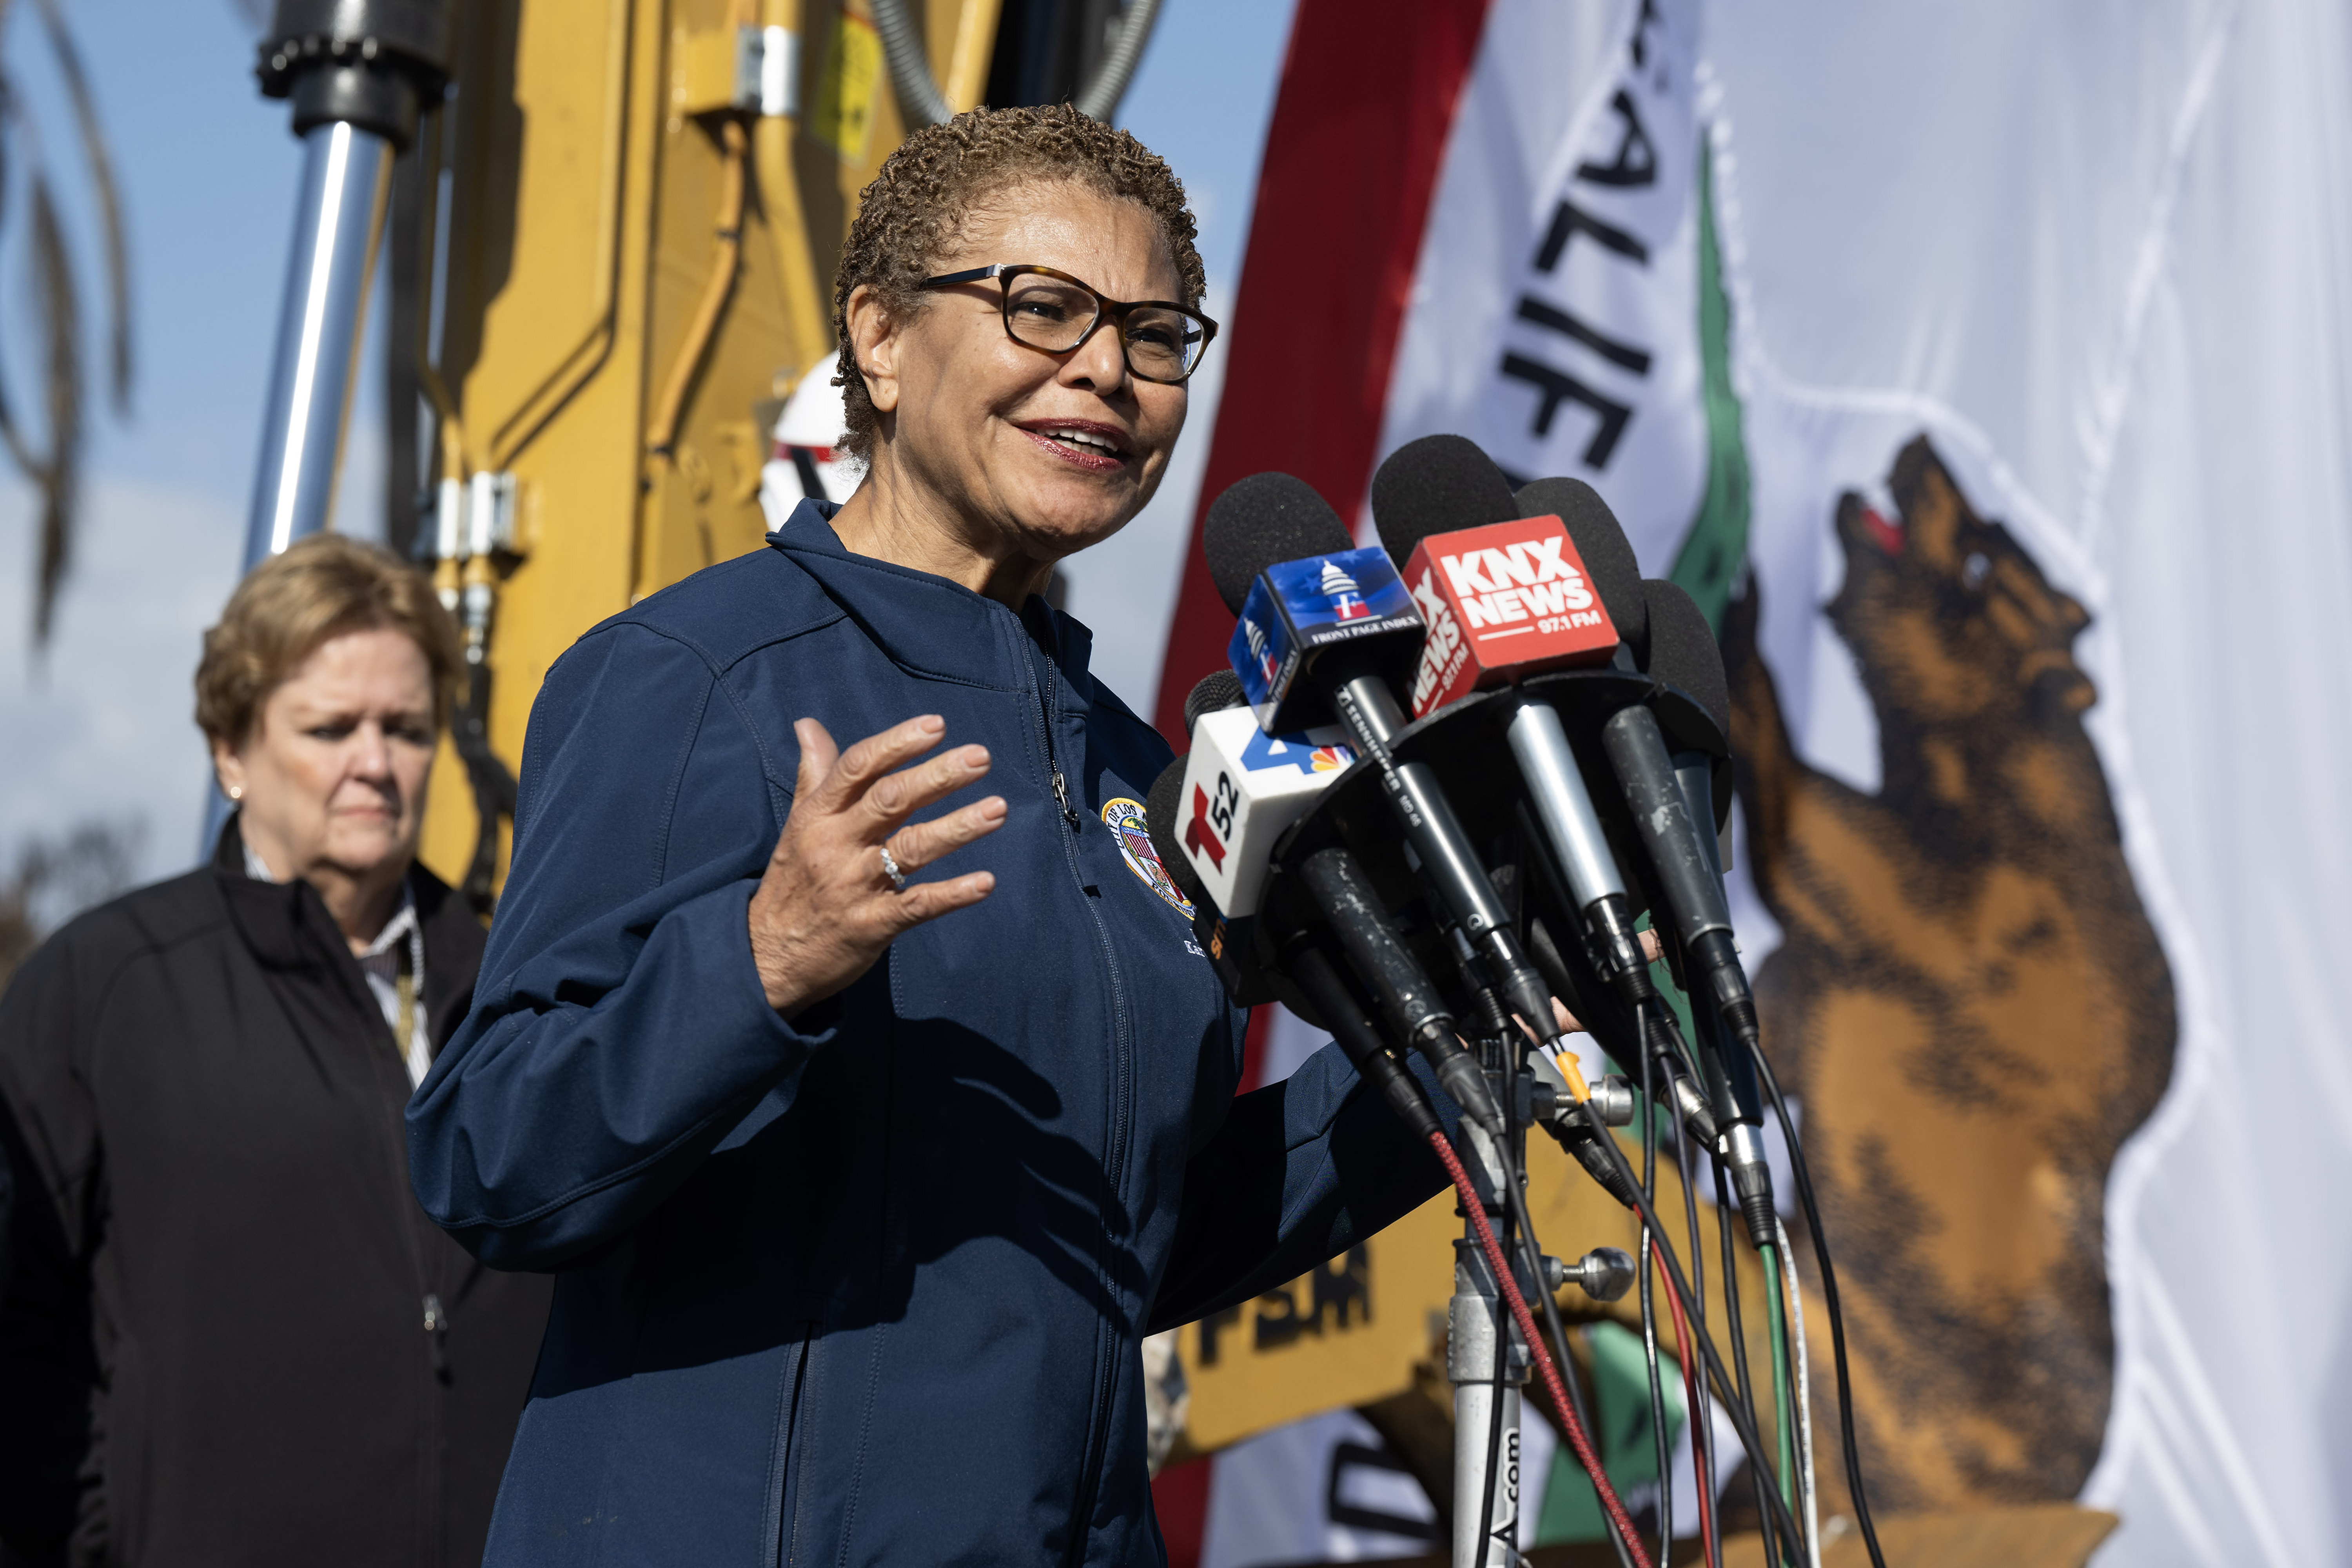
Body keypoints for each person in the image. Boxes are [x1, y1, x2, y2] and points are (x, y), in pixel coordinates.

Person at [405, 105, 1454, 1565]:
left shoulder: (1140, 771)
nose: (1107, 368)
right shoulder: (695, 676)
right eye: (1044, 308)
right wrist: (762, 963)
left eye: (1156, 334)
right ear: (881, 341)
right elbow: (484, 1153)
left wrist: (1434, 1073)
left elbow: (1126, 1240)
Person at [0, 535, 551, 1568]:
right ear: (231, 750)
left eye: (407, 729)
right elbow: (24, 1339)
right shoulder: (104, 990)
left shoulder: (521, 991)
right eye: (329, 727)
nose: (374, 766)